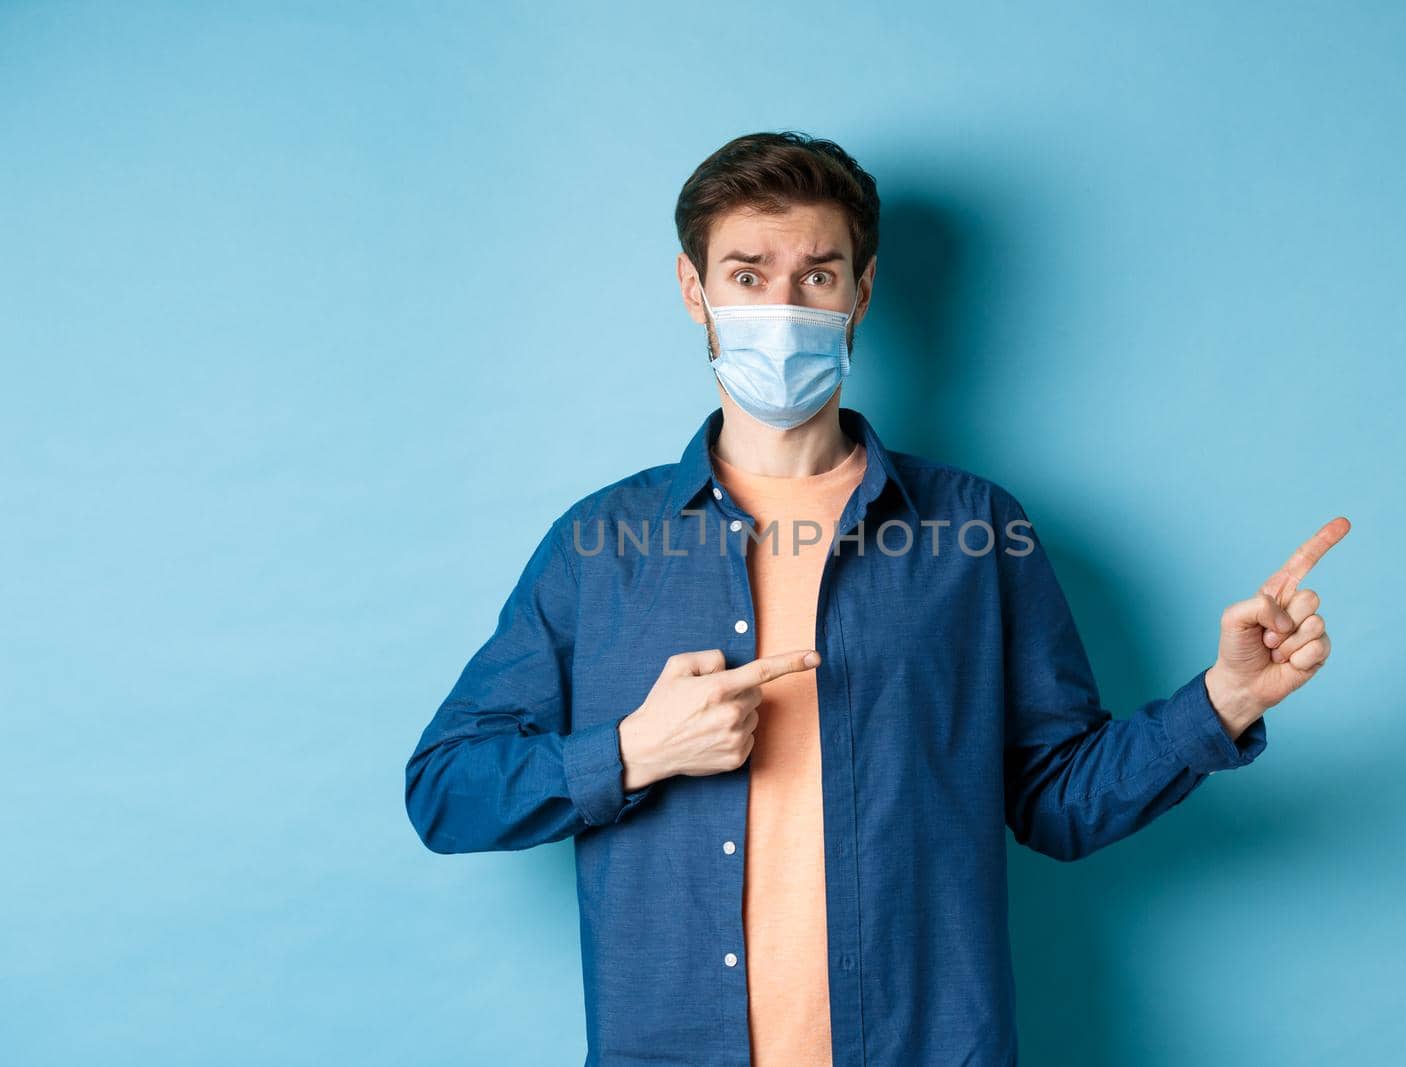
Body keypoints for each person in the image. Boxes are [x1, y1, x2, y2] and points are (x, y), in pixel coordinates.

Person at [404, 131, 1348, 1066]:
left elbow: (1057, 801)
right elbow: (445, 791)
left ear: (862, 291)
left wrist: (1226, 699)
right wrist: (635, 748)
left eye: (816, 276)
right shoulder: (600, 544)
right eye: (747, 274)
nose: (781, 307)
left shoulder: (977, 532)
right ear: (695, 291)